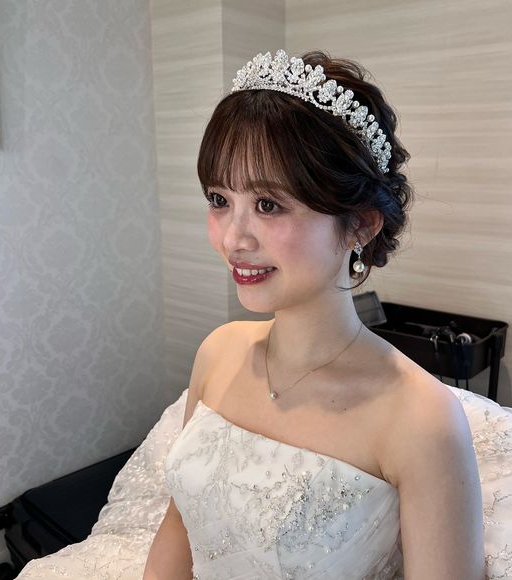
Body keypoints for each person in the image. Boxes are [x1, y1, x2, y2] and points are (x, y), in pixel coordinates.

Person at [143, 48, 485, 580]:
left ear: (361, 224)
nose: (233, 239)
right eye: (219, 199)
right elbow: (179, 524)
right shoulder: (218, 351)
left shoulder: (421, 419)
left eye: (268, 205)